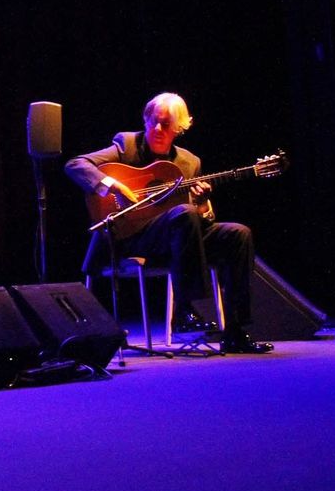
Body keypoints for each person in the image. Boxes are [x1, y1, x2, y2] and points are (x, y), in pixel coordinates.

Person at [66, 92, 272, 354]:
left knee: (238, 233)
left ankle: (235, 331)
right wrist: (112, 185)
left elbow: (198, 220)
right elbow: (76, 164)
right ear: (146, 119)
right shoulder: (126, 145)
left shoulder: (189, 162)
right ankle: (185, 312)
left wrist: (203, 205)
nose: (159, 129)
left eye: (167, 124)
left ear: (179, 128)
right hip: (131, 237)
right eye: (155, 121)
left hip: (177, 240)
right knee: (183, 214)